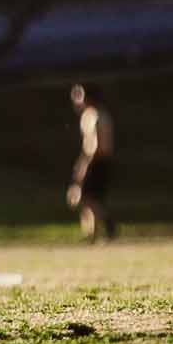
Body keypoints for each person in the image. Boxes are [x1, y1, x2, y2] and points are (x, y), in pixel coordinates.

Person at [67, 83, 116, 243]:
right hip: (100, 160)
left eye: (78, 95)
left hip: (96, 160)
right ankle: (92, 233)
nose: (75, 100)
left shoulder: (93, 116)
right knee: (91, 198)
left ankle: (104, 227)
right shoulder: (96, 114)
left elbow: (94, 145)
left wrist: (84, 164)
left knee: (87, 198)